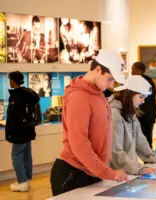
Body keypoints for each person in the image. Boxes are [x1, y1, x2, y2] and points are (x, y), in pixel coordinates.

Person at [50, 49, 128, 196]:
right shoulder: (79, 97)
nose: (111, 85)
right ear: (97, 70)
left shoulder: (97, 93)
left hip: (91, 172)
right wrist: (108, 173)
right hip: (73, 174)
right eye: (110, 79)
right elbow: (79, 144)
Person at [109, 75, 156, 176]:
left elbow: (140, 141)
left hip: (128, 171)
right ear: (129, 94)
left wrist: (154, 158)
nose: (143, 101)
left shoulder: (131, 115)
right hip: (115, 175)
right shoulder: (115, 116)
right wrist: (139, 169)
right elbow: (115, 153)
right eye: (141, 97)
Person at [5, 71, 40, 192]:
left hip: (19, 132)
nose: (9, 81)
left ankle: (22, 181)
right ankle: (26, 179)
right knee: (26, 155)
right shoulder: (28, 94)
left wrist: (8, 131)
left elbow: (14, 117)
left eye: (10, 79)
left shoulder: (17, 96)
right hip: (28, 130)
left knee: (16, 155)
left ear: (13, 81)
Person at [131, 62, 156, 148]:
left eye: (133, 70)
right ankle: (149, 160)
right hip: (150, 115)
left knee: (135, 142)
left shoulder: (136, 81)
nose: (131, 72)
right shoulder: (150, 81)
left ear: (138, 71)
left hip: (141, 115)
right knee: (147, 141)